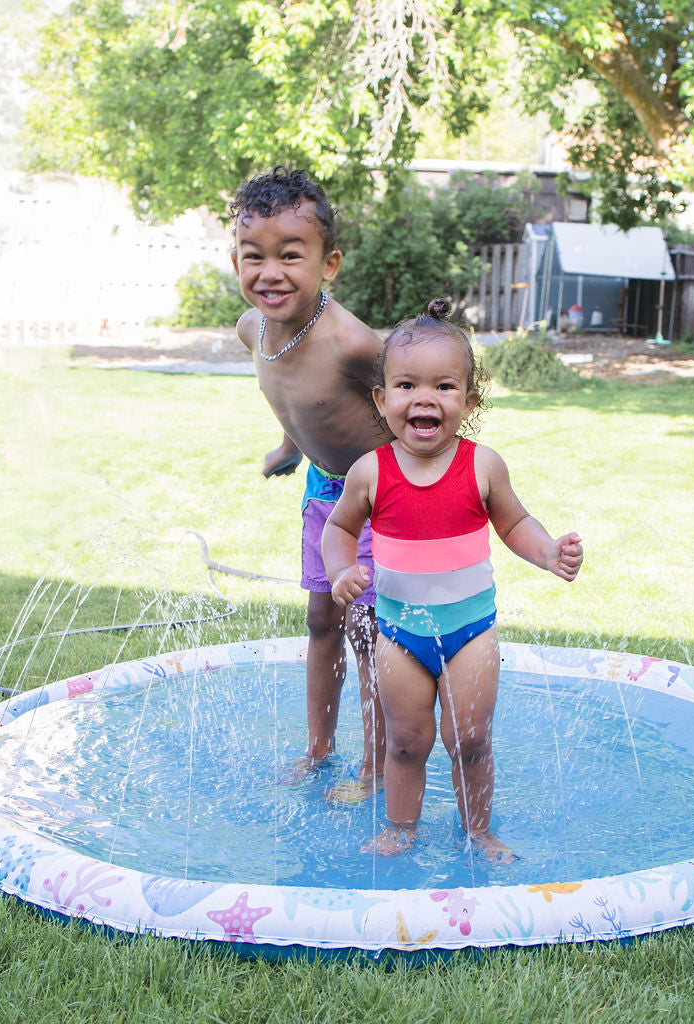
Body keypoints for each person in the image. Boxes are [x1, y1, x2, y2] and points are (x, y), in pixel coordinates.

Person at [322, 298, 583, 863]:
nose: (425, 398)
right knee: (406, 742)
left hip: (471, 633)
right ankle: (401, 827)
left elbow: (513, 522)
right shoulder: (371, 471)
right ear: (381, 399)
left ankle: (479, 831)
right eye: (407, 385)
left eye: (444, 386)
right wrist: (341, 570)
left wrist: (546, 552)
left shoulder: (482, 465)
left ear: (468, 400)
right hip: (399, 635)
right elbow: (339, 528)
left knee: (470, 740)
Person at [231, 167, 390, 799]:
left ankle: (376, 766)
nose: (270, 272)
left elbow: (414, 400)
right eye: (254, 256)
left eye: (290, 255)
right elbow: (296, 398)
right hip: (325, 492)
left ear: (329, 265)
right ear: (236, 262)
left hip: (379, 500)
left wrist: (435, 484)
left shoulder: (351, 343)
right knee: (322, 620)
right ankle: (319, 749)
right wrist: (289, 448)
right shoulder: (251, 330)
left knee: (368, 633)